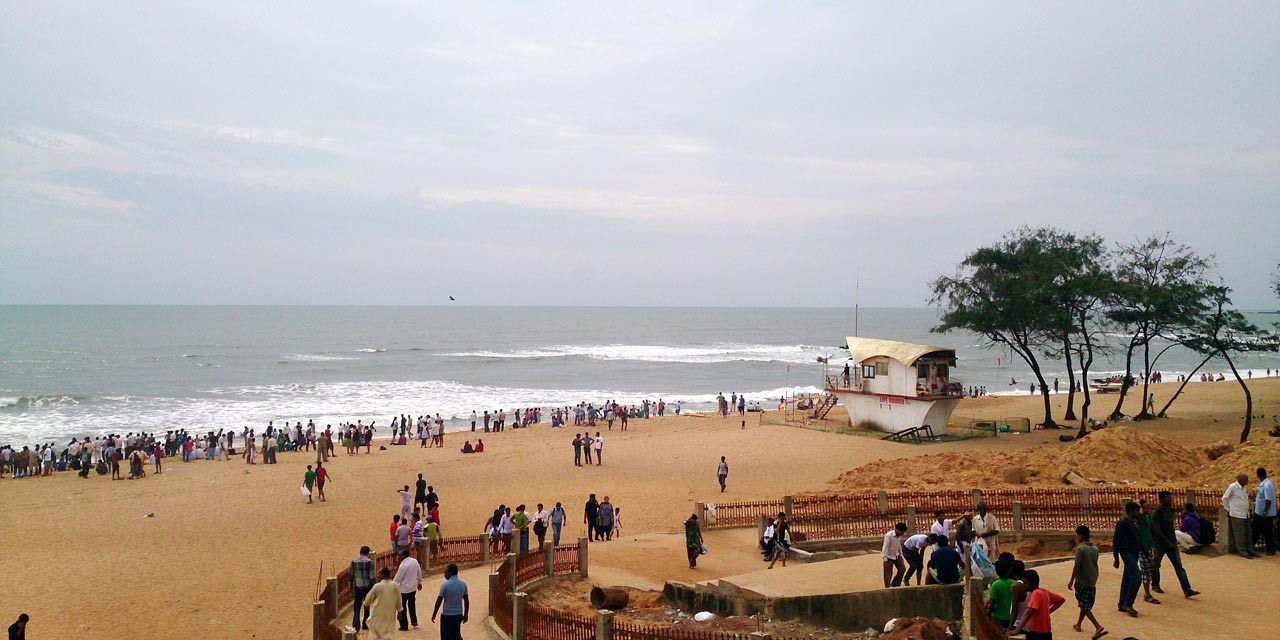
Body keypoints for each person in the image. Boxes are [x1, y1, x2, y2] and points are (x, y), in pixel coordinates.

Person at [1150, 490, 1199, 598]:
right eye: (1168, 498)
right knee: (1156, 565)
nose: (1171, 500)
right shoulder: (1157, 512)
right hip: (1161, 543)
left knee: (1179, 566)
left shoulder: (1170, 510)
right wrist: (1167, 542)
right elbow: (1157, 530)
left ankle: (1187, 589)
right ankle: (1155, 584)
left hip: (1171, 542)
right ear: (1161, 499)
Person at [1067, 526, 1106, 640]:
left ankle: (1097, 626)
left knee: (1084, 605)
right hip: (1092, 579)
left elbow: (1077, 566)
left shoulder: (1080, 549)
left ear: (1080, 536)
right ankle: (1078, 624)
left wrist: (1071, 580)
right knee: (1085, 604)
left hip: (1082, 580)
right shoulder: (1095, 548)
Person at [1009, 570, 1065, 640]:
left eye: (1026, 583)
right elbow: (1061, 600)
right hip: (1046, 631)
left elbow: (1028, 612)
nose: (1024, 585)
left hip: (1036, 632)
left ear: (1033, 584)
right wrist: (1047, 612)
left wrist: (1016, 630)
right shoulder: (1044, 592)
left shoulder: (1036, 593)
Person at [1112, 500, 1143, 617]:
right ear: (1131, 511)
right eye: (1136, 510)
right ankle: (1128, 604)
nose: (1138, 513)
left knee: (1127, 578)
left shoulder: (1134, 523)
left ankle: (1122, 603)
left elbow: (1139, 539)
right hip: (1127, 553)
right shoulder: (1123, 524)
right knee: (1136, 578)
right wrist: (1116, 558)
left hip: (1134, 554)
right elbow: (1116, 541)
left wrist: (1145, 553)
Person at [431, 563, 469, 640]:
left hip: (447, 615)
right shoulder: (463, 584)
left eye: (446, 572)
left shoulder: (445, 585)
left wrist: (434, 614)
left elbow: (439, 600)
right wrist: (465, 614)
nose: (445, 574)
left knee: (445, 636)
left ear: (450, 573)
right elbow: (466, 601)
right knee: (456, 635)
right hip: (458, 615)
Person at [1222, 473, 1255, 558]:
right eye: (1246, 480)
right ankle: (1243, 551)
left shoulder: (1244, 488)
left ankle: (1250, 550)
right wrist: (1229, 509)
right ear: (1240, 480)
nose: (1247, 481)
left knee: (1248, 532)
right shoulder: (1233, 487)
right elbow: (1225, 498)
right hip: (1237, 514)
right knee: (1240, 534)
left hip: (1245, 513)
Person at [365, 567, 402, 640]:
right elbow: (399, 600)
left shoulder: (377, 586)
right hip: (390, 614)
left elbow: (368, 599)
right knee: (388, 633)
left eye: (378, 574)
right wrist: (399, 611)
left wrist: (366, 604)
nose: (377, 576)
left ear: (382, 575)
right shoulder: (395, 585)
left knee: (375, 633)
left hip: (378, 614)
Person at [1134, 500, 1160, 605]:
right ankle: (1147, 594)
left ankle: (1146, 592)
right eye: (1144, 508)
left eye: (1148, 508)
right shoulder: (1138, 520)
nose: (1147, 510)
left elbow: (1149, 532)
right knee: (1146, 570)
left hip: (1147, 546)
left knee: (1146, 570)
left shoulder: (1147, 518)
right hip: (1142, 548)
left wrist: (1153, 546)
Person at [394, 549, 423, 630]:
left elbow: (397, 579)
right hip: (413, 588)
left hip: (403, 589)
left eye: (399, 555)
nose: (398, 557)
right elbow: (419, 572)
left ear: (403, 556)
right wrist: (419, 582)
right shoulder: (414, 561)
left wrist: (392, 586)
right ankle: (414, 621)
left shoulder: (403, 566)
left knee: (402, 607)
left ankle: (404, 625)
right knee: (412, 605)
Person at [351, 546, 376, 631]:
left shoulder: (354, 561)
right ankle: (365, 623)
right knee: (367, 605)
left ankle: (355, 625)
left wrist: (351, 586)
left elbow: (351, 575)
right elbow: (372, 576)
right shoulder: (370, 562)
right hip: (367, 587)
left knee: (357, 606)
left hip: (358, 586)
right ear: (367, 553)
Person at [986, 559, 1015, 629]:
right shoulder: (1014, 583)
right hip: (1011, 618)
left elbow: (992, 603)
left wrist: (988, 614)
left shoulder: (995, 585)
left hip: (998, 617)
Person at [1254, 467, 1276, 556]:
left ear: (1258, 475)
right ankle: (1270, 549)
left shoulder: (1266, 485)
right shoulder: (1267, 483)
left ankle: (1252, 547)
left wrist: (1264, 512)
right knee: (1267, 532)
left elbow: (1268, 500)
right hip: (1264, 513)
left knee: (1257, 530)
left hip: (1263, 514)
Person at [881, 522, 908, 588]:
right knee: (888, 573)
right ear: (897, 529)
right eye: (901, 532)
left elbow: (898, 544)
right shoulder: (889, 535)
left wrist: (900, 554)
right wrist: (885, 558)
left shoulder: (900, 535)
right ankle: (887, 587)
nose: (902, 534)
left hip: (896, 555)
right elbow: (885, 547)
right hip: (889, 556)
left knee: (902, 569)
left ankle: (895, 584)